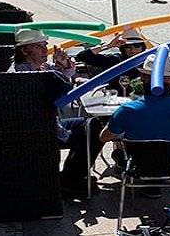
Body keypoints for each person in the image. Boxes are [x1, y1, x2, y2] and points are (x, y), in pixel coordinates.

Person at [8, 29, 105, 196]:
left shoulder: (36, 66)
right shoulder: (24, 76)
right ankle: (71, 179)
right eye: (38, 47)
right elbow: (58, 92)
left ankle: (71, 175)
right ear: (24, 51)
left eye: (45, 45)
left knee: (94, 124)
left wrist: (61, 63)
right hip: (40, 132)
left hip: (49, 124)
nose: (45, 50)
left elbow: (64, 73)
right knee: (96, 133)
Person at [100, 54, 170, 198]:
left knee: (120, 143)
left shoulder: (128, 110)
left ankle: (145, 185)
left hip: (139, 165)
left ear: (142, 78)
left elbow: (104, 137)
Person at [75, 29, 147, 95]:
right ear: (123, 48)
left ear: (142, 47)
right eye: (128, 46)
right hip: (118, 100)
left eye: (137, 46)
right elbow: (82, 57)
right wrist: (108, 45)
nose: (132, 49)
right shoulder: (115, 60)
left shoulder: (149, 61)